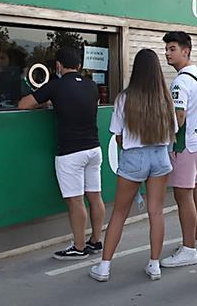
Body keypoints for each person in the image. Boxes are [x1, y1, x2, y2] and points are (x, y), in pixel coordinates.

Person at [89, 49, 178, 282]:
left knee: (119, 213)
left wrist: (129, 144)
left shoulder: (124, 98)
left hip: (133, 157)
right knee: (156, 212)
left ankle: (104, 267)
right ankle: (155, 265)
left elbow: (117, 135)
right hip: (160, 157)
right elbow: (173, 132)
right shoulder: (165, 97)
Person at [18, 47, 105, 260]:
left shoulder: (55, 86)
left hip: (70, 152)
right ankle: (95, 241)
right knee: (94, 196)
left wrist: (48, 101)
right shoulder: (92, 86)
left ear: (58, 65)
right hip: (94, 149)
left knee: (76, 201)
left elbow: (23, 105)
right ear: (80, 66)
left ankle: (79, 246)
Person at [159, 31, 197, 269]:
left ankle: (188, 248)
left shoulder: (181, 81)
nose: (167, 53)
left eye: (172, 49)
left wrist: (160, 135)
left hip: (185, 146)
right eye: (166, 49)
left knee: (183, 196)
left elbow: (178, 118)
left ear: (185, 51)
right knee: (196, 192)